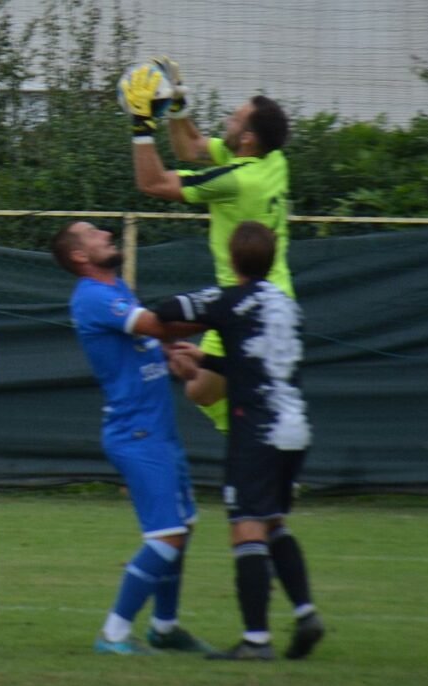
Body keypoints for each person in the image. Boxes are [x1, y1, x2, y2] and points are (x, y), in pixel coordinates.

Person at [154, 221, 325, 662]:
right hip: (295, 428)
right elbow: (256, 366)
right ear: (272, 258)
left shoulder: (229, 299)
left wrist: (174, 334)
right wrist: (206, 359)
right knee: (273, 523)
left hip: (258, 431)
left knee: (246, 526)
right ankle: (305, 613)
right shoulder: (288, 306)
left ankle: (256, 640)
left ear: (232, 260)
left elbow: (168, 308)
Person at [51, 220, 213, 656]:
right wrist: (225, 306)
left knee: (183, 527)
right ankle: (114, 633)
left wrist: (171, 355)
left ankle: (165, 627)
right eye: (94, 234)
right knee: (166, 536)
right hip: (136, 433)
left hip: (158, 429)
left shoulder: (117, 287)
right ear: (80, 256)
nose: (106, 234)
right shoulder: (93, 296)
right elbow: (157, 325)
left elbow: (149, 341)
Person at [119, 57, 293, 433]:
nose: (228, 120)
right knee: (218, 388)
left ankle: (259, 437)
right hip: (265, 296)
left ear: (247, 139)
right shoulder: (274, 159)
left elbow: (152, 183)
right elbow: (191, 147)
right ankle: (259, 432)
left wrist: (141, 124)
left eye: (235, 118)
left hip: (249, 305)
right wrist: (176, 102)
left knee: (200, 390)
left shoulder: (237, 181)